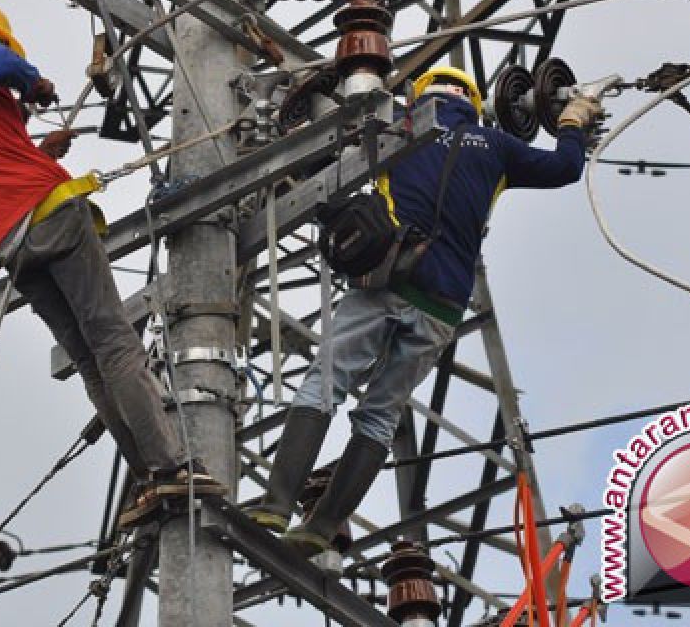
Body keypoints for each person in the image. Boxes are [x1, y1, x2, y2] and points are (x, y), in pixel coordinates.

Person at [246, 65, 601, 553]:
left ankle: (278, 500)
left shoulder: (399, 128)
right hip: (443, 306)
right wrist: (573, 122)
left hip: (385, 283)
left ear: (421, 93)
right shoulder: (497, 148)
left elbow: (324, 173)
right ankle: (322, 526)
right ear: (474, 102)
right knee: (379, 416)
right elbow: (565, 167)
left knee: (326, 381)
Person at [0, 0, 223, 528]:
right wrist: (34, 82)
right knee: (113, 341)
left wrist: (44, 149)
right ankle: (170, 464)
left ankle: (151, 476)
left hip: (12, 247)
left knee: (91, 358)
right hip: (53, 222)